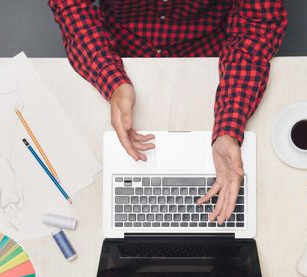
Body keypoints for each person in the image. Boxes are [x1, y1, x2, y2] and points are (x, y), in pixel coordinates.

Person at [49, 0, 288, 224]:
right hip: (121, 50)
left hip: (209, 56)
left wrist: (229, 125)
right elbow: (71, 5)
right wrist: (112, 80)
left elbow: (257, 26)